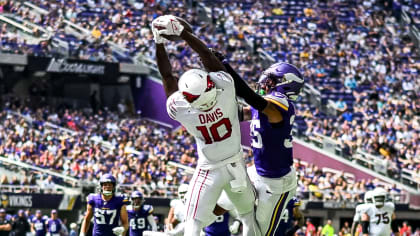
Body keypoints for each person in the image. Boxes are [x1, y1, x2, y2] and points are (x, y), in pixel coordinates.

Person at [151, 15, 258, 236]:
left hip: (209, 169)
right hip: (236, 164)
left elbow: (167, 76)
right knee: (248, 216)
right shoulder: (225, 91)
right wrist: (184, 33)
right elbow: (207, 55)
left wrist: (159, 42)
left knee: (193, 223)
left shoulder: (182, 109)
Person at [213, 51, 303, 235]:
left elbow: (250, 97)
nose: (264, 82)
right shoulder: (265, 105)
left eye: (271, 80)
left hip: (276, 183)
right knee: (217, 207)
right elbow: (238, 113)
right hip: (257, 171)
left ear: (285, 84)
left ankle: (243, 220)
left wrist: (226, 66)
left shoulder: (280, 104)